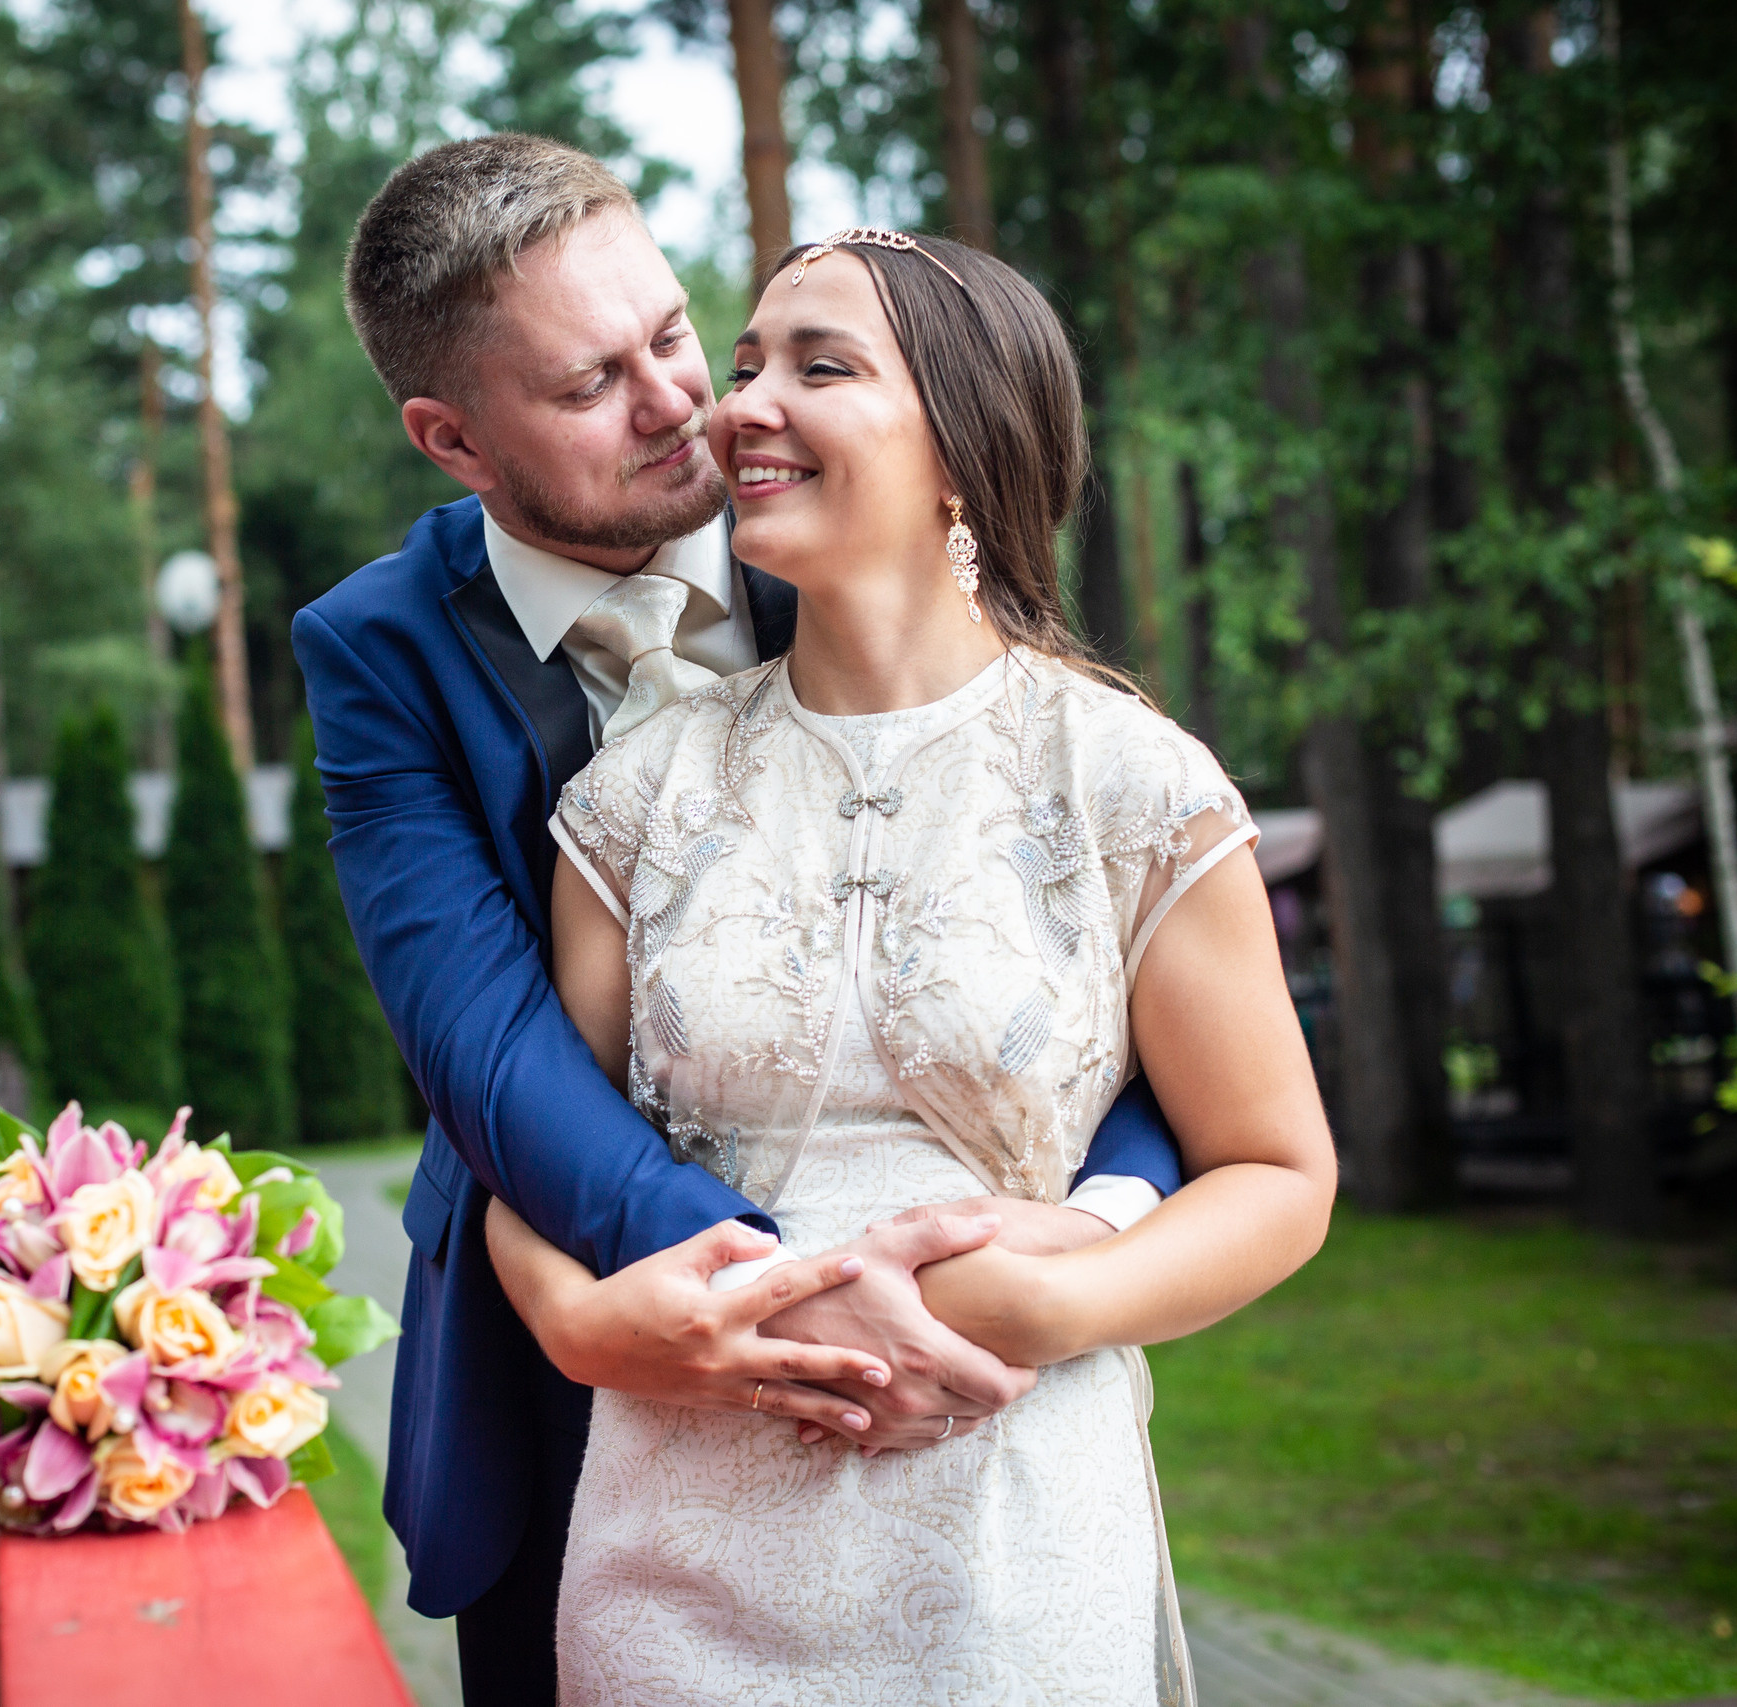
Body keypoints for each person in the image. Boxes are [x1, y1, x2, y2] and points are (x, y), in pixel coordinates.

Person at [293, 136, 1195, 1707]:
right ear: (450, 437)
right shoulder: (376, 651)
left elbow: (1091, 952)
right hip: (579, 1329)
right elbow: (487, 1046)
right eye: (590, 387)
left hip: (955, 1351)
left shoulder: (856, 518)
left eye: (672, 336)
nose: (679, 408)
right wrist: (723, 1300)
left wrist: (1084, 1231)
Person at [479, 227, 1338, 1703]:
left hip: (1005, 1529)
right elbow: (540, 1161)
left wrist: (1058, 1306)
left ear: (963, 451)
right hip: (680, 1555)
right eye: (744, 365)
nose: (740, 404)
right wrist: (580, 1318)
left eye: (820, 366)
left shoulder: (1132, 783)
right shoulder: (635, 801)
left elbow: (1277, 1174)